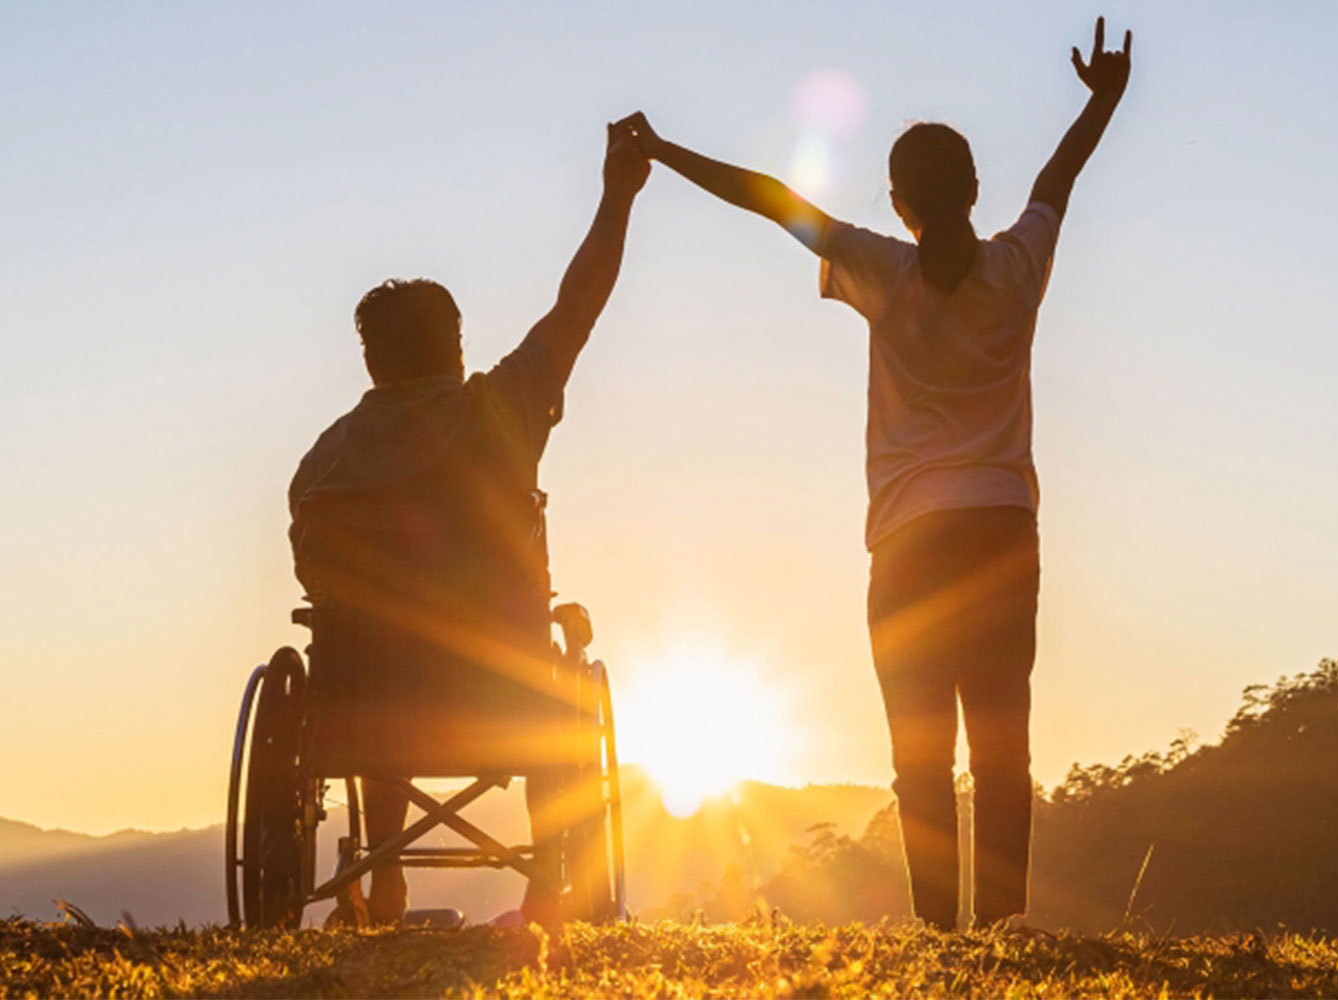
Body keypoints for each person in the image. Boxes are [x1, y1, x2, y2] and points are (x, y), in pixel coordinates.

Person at [620, 18, 1131, 930]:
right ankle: (1004, 930)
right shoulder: (1018, 267)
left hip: (908, 542)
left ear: (899, 203)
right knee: (1002, 748)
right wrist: (1103, 99)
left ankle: (939, 932)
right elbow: (1058, 181)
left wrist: (661, 150)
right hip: (1004, 530)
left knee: (920, 757)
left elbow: (771, 198)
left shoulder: (882, 268)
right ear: (976, 190)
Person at [287, 122, 649, 926]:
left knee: (373, 634)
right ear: (455, 346)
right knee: (557, 666)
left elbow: (324, 588)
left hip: (362, 706)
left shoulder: (322, 467)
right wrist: (617, 198)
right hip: (500, 692)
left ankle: (385, 883)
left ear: (371, 361)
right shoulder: (499, 409)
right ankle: (546, 881)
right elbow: (579, 304)